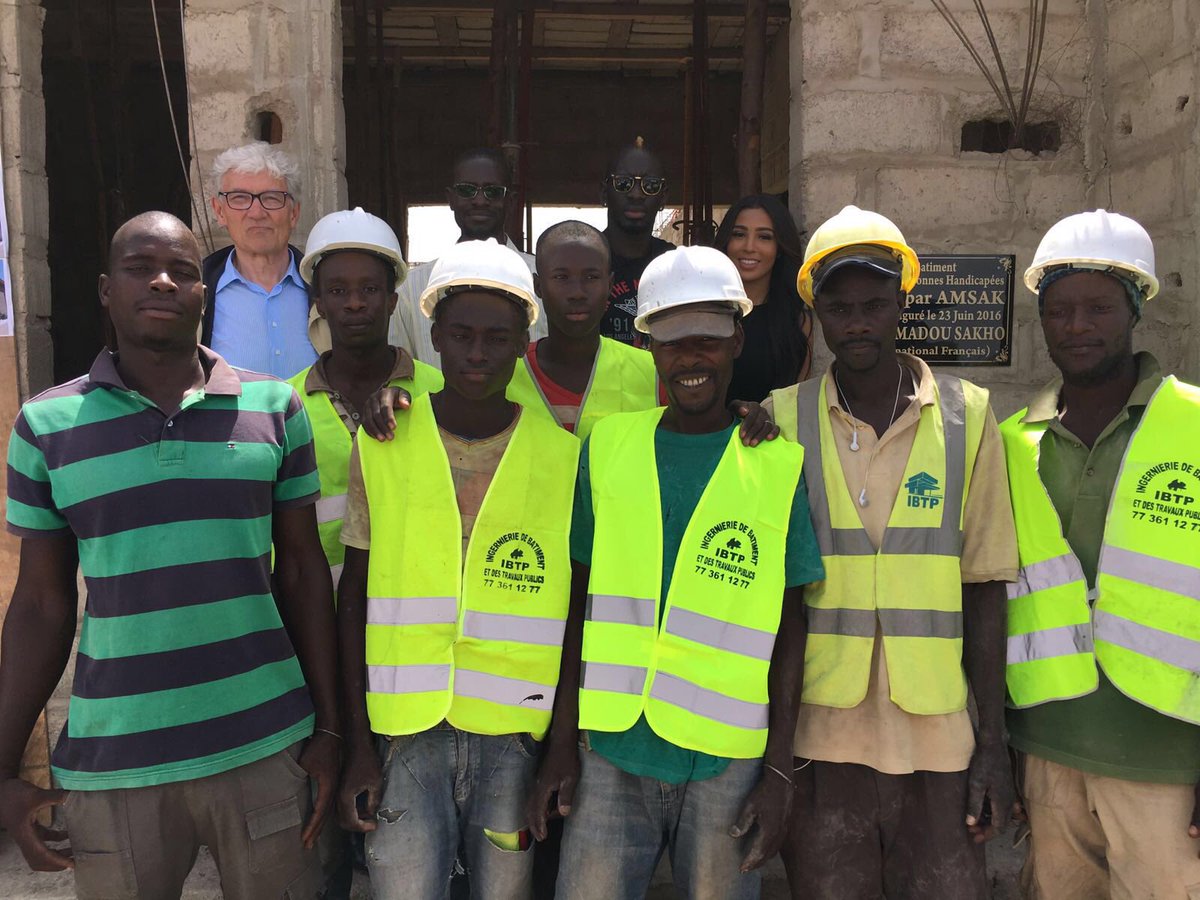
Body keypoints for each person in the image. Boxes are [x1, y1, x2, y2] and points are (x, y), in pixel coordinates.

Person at [0, 211, 339, 899]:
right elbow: (40, 602)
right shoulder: (45, 426)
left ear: (203, 294)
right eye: (140, 268)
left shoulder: (274, 408)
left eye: (183, 271)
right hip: (115, 761)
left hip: (266, 746)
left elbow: (302, 573)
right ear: (105, 289)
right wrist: (4, 770)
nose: (163, 281)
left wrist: (330, 729)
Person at [529, 246, 825, 899]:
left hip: (725, 760)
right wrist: (559, 742)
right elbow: (576, 601)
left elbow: (792, 623)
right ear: (650, 350)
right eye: (672, 342)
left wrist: (779, 768)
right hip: (610, 747)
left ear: (737, 341)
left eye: (709, 341)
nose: (691, 358)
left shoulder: (776, 463)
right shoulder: (609, 447)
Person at [767, 205, 1017, 899]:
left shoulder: (969, 416)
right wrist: (775, 752)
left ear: (900, 304)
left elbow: (987, 586)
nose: (857, 323)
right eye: (839, 308)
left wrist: (993, 743)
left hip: (937, 737)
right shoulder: (780, 419)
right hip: (821, 734)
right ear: (814, 316)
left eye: (874, 305)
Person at [336, 237, 578, 900]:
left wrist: (561, 745)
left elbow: (575, 608)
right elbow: (352, 597)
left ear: (522, 342)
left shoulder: (562, 457)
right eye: (462, 335)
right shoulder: (384, 442)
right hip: (402, 736)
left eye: (496, 338)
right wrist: (357, 743)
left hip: (511, 742)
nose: (477, 354)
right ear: (434, 335)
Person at [1001, 209, 1200, 898]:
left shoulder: (1194, 426)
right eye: (1059, 311)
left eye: (1097, 308)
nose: (1076, 326)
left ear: (1135, 310)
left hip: (1168, 761)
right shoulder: (1010, 444)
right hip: (1049, 750)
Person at [288, 207, 443, 588]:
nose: (355, 303)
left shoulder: (438, 392)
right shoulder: (286, 406)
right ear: (319, 303)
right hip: (322, 613)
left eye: (370, 289)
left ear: (392, 300)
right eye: (338, 291)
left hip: (415, 614)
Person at [388, 148, 546, 368]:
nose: (480, 200)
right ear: (450, 198)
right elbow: (401, 378)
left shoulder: (545, 283)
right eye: (467, 190)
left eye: (493, 191)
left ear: (510, 200)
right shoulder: (408, 290)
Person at [506, 219, 657, 439]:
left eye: (591, 277)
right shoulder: (505, 373)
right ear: (538, 286)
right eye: (561, 277)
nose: (577, 292)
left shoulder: (651, 373)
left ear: (610, 284)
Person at [204, 141, 323, 377]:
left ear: (294, 213)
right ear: (219, 211)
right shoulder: (197, 293)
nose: (257, 213)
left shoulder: (325, 288)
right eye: (239, 198)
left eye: (271, 198)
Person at [712, 194, 814, 403]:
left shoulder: (798, 321)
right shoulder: (702, 311)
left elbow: (796, 402)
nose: (749, 246)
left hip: (774, 433)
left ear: (779, 248)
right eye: (739, 234)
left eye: (764, 237)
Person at [599, 138, 675, 347]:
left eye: (650, 186)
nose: (636, 194)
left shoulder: (674, 265)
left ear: (663, 197)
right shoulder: (585, 260)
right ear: (605, 192)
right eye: (623, 183)